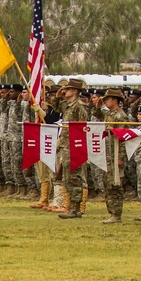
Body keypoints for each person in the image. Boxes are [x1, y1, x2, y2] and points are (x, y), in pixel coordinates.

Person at [53, 79, 90, 219]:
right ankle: (73, 207)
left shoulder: (79, 107)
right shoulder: (68, 105)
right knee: (67, 177)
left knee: (74, 177)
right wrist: (57, 97)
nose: (64, 91)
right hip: (66, 145)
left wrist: (78, 147)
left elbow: (82, 127)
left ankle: (75, 208)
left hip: (74, 145)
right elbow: (56, 108)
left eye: (67, 89)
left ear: (75, 91)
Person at [100, 88, 131, 224]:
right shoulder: (110, 114)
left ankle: (116, 213)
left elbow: (123, 138)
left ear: (115, 100)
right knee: (108, 183)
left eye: (108, 99)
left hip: (116, 153)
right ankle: (111, 212)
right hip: (108, 153)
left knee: (115, 184)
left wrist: (121, 157)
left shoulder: (120, 116)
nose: (105, 101)